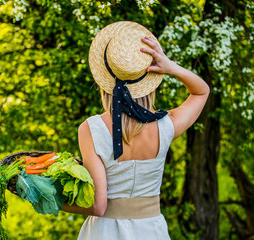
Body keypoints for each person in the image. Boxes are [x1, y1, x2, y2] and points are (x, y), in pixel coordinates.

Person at [62, 21, 209, 239]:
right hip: (152, 231)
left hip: (104, 233)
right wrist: (170, 67)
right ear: (151, 81)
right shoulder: (166, 125)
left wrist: (55, 200)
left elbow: (98, 205)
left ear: (105, 83)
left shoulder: (91, 129)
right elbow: (201, 92)